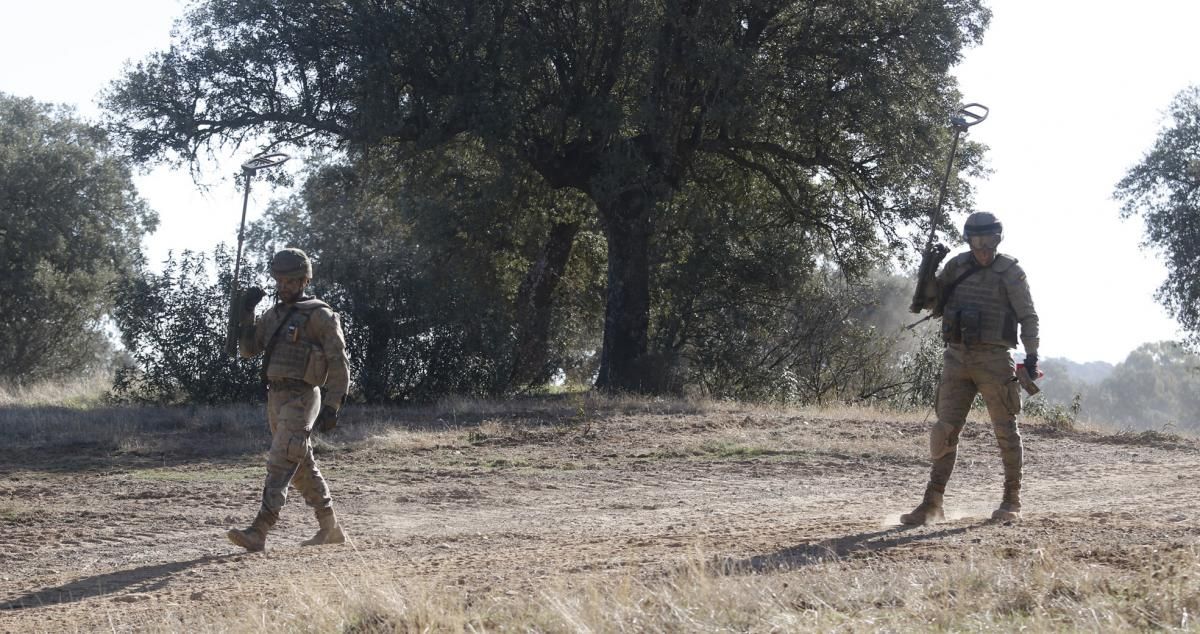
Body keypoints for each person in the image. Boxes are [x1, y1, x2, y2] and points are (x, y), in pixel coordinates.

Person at [901, 211, 1039, 524]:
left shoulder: (1011, 272)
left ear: (997, 239)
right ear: (968, 240)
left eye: (988, 240)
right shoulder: (956, 267)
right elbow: (931, 302)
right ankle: (932, 503)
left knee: (1005, 431)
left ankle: (1011, 500)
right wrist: (927, 274)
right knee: (944, 430)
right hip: (957, 358)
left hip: (994, 359)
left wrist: (1031, 357)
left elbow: (1028, 317)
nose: (982, 248)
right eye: (976, 241)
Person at [226, 248, 351, 551]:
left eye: (291, 281)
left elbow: (339, 362)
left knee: (280, 461)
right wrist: (245, 312)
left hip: (302, 397)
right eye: (280, 280)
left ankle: (260, 529)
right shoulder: (274, 315)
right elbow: (248, 349)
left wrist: (334, 405)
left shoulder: (320, 316)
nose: (284, 286)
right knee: (301, 466)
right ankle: (330, 528)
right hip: (276, 397)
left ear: (305, 280)